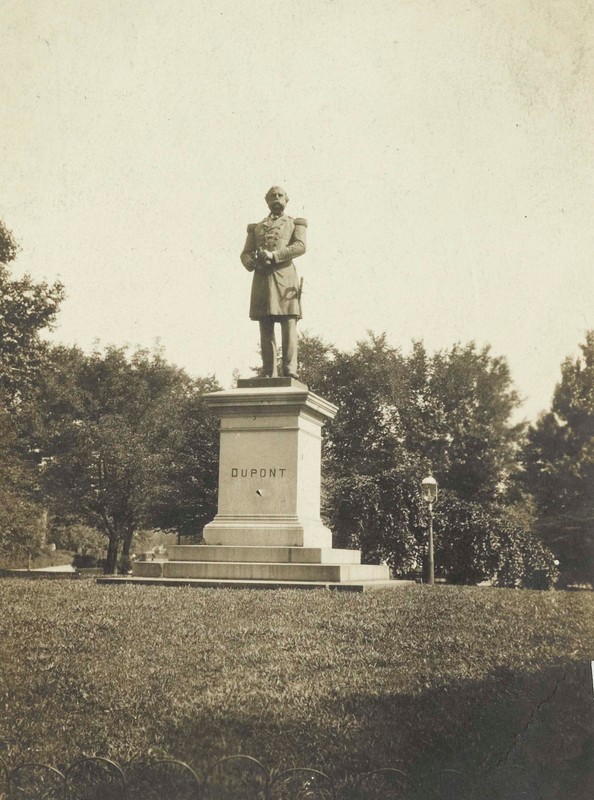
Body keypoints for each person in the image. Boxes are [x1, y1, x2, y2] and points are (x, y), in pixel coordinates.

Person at [240, 186, 307, 378]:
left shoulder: (295, 223)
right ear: (266, 200)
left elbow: (300, 246)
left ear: (287, 199)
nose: (276, 199)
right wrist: (248, 261)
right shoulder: (257, 227)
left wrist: (275, 255)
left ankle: (290, 369)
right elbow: (245, 252)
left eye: (280, 196)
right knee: (265, 323)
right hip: (262, 278)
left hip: (284, 277)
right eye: (272, 196)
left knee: (288, 322)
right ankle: (268, 370)